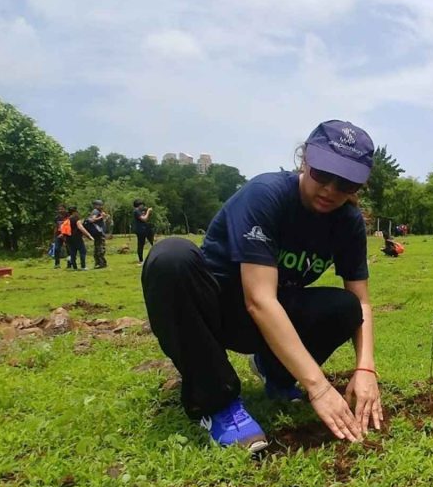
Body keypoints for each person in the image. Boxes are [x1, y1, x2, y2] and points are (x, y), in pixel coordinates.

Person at [141, 120, 383, 454]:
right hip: (216, 312)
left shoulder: (347, 223)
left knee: (345, 308)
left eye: (345, 184)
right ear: (305, 162)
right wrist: (319, 387)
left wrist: (365, 368)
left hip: (270, 317)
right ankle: (218, 403)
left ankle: (276, 373)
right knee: (171, 257)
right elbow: (258, 299)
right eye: (322, 175)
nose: (330, 190)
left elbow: (362, 302)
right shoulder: (266, 195)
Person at [65, 206, 94, 270]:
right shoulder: (76, 218)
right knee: (82, 251)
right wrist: (89, 235)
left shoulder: (67, 219)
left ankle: (74, 267)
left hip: (68, 238)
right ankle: (83, 266)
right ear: (74, 212)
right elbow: (80, 227)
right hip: (76, 237)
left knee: (73, 253)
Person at [87, 199, 109, 269]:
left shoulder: (99, 211)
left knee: (98, 247)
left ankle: (99, 263)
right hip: (99, 232)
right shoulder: (95, 211)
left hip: (99, 232)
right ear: (96, 205)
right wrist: (101, 217)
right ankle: (101, 263)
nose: (102, 206)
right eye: (100, 205)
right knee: (100, 248)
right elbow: (92, 219)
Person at [133, 199, 155, 264]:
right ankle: (141, 260)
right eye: (142, 205)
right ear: (139, 205)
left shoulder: (141, 211)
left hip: (146, 228)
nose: (143, 206)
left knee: (152, 242)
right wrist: (148, 211)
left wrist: (149, 213)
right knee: (140, 245)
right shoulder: (136, 211)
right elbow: (144, 219)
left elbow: (147, 218)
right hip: (140, 230)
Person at [53, 204, 68, 269]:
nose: (60, 210)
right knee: (56, 249)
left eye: (61, 209)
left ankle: (70, 263)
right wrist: (54, 236)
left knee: (69, 249)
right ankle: (57, 264)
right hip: (58, 235)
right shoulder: (57, 217)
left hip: (67, 234)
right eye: (59, 209)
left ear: (65, 209)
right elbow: (56, 226)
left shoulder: (68, 216)